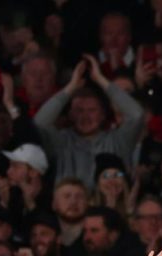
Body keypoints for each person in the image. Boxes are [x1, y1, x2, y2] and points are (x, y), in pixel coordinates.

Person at [34, 55, 145, 189]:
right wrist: (71, 87)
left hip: (109, 207)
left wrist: (101, 79)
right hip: (68, 206)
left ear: (103, 115)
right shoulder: (61, 141)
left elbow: (137, 115)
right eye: (79, 111)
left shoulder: (118, 141)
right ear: (70, 115)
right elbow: (40, 122)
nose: (85, 117)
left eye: (92, 110)